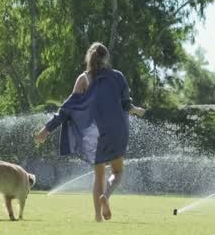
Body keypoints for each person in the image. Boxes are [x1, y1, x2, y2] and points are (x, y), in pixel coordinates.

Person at [35, 42, 145, 221]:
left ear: (90, 58)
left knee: (99, 175)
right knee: (117, 172)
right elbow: (126, 105)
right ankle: (106, 196)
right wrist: (137, 110)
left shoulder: (83, 79)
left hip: (96, 134)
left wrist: (47, 128)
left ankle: (97, 217)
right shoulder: (117, 76)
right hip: (118, 129)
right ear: (106, 58)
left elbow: (67, 108)